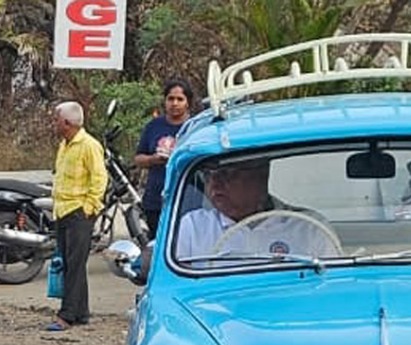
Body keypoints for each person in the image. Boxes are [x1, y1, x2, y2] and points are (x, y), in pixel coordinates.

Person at [172, 158, 337, 265]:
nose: (214, 184)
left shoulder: (308, 227)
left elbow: (331, 285)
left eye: (227, 174)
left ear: (262, 175)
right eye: (208, 175)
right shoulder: (193, 226)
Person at [46, 100, 108, 331]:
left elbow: (100, 178)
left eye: (57, 120)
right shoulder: (65, 144)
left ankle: (67, 314)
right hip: (62, 209)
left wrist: (89, 207)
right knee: (72, 263)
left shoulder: (89, 145)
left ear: (67, 123)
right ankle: (81, 311)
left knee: (74, 263)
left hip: (78, 211)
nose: (54, 124)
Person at [133, 78, 194, 238]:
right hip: (156, 199)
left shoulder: (195, 127)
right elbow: (138, 158)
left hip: (188, 199)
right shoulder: (154, 126)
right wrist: (153, 159)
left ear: (187, 102)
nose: (175, 103)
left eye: (180, 99)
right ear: (165, 101)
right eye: (170, 99)